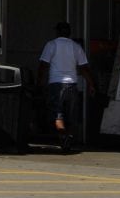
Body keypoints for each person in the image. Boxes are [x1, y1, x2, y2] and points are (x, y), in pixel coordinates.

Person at [37, 21, 96, 152]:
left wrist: (39, 81)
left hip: (56, 85)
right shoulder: (76, 47)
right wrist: (91, 85)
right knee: (71, 115)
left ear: (57, 32)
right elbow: (84, 68)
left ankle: (63, 136)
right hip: (72, 85)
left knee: (57, 114)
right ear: (69, 33)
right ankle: (68, 136)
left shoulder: (51, 45)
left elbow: (43, 66)